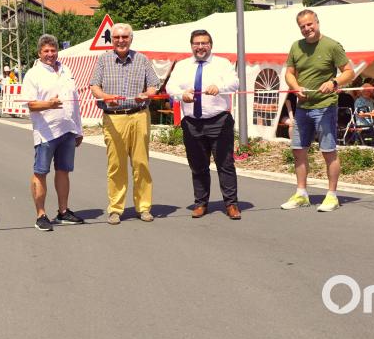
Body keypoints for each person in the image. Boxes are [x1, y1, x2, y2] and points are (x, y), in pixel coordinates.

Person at [281, 10, 354, 213]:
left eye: (309, 24)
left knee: (328, 151)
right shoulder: (296, 46)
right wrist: (295, 87)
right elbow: (289, 73)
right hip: (302, 107)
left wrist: (333, 82)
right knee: (298, 150)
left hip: (325, 107)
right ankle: (302, 194)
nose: (307, 29)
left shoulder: (332, 45)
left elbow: (349, 72)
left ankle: (332, 196)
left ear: (317, 23)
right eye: (302, 26)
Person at [165, 29, 241, 220]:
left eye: (204, 43)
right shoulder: (182, 66)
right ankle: (201, 203)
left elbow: (235, 83)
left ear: (211, 45)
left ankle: (231, 204)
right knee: (198, 166)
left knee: (225, 165)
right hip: (192, 123)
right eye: (197, 43)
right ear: (191, 45)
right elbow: (170, 87)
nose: (200, 47)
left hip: (219, 121)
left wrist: (220, 87)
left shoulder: (222, 63)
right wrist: (180, 95)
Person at [89, 23, 160, 225]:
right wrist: (105, 97)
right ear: (112, 40)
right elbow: (94, 86)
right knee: (116, 165)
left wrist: (146, 94)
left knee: (141, 163)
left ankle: (144, 207)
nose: (121, 41)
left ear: (131, 39)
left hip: (139, 115)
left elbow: (154, 85)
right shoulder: (103, 60)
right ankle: (115, 209)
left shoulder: (142, 59)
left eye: (125, 37)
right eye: (117, 37)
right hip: (114, 117)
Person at [22, 34, 85, 231]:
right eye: (46, 51)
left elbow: (74, 101)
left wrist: (78, 129)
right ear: (39, 53)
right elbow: (30, 104)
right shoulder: (33, 74)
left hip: (67, 130)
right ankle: (41, 214)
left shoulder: (66, 70)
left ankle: (63, 211)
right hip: (46, 132)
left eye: (53, 50)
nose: (50, 54)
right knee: (40, 173)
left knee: (63, 171)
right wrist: (49, 104)